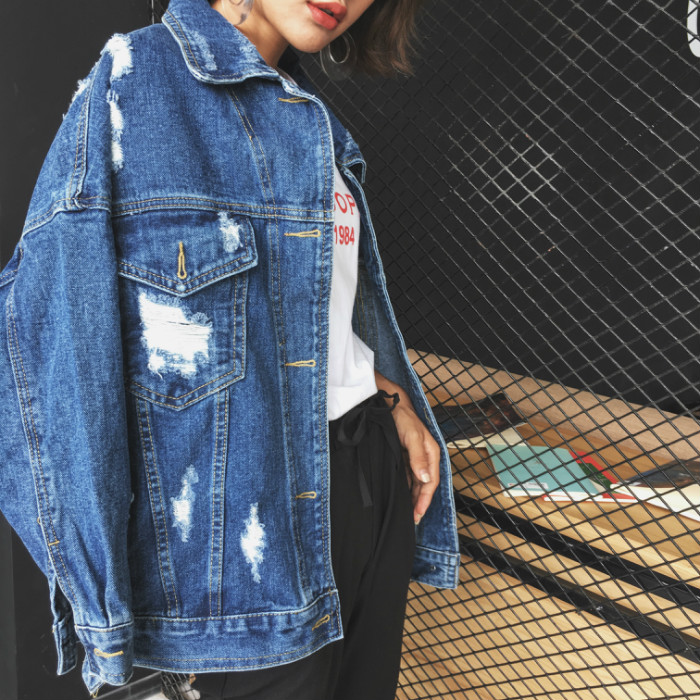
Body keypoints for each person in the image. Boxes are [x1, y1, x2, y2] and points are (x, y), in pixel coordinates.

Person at [0, 0, 459, 698]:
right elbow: (48, 350)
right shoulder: (136, 81)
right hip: (247, 540)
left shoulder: (313, 120)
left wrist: (389, 396)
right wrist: (103, 608)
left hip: (370, 481)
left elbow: (316, 321)